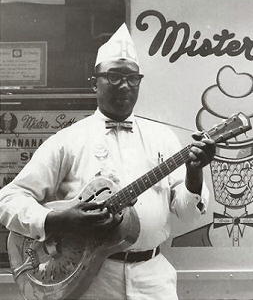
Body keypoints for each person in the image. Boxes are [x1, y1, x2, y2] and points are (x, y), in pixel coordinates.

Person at [0, 22, 216, 300]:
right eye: (113, 77)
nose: (124, 85)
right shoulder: (68, 141)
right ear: (95, 83)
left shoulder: (163, 139)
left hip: (154, 281)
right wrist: (57, 219)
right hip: (91, 281)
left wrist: (195, 174)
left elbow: (186, 213)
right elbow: (8, 200)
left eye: (132, 78)